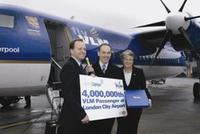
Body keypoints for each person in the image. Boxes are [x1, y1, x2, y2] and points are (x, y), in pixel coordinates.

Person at [58, 39, 94, 134]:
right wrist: (82, 114)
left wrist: (89, 77)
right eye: (79, 49)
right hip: (72, 119)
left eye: (84, 49)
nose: (83, 51)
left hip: (76, 118)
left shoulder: (78, 66)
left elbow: (78, 87)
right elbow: (68, 95)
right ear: (71, 51)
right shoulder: (69, 67)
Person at [117, 49, 152, 134]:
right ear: (122, 60)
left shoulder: (139, 72)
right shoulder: (117, 72)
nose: (128, 61)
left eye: (130, 59)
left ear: (133, 61)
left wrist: (149, 98)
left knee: (133, 128)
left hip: (136, 106)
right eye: (126, 59)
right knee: (121, 128)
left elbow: (144, 88)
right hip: (121, 106)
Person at [89, 43, 120, 134]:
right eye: (103, 52)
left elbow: (119, 91)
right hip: (94, 112)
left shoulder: (117, 70)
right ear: (98, 53)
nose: (106, 55)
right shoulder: (90, 68)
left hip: (108, 114)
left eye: (108, 53)